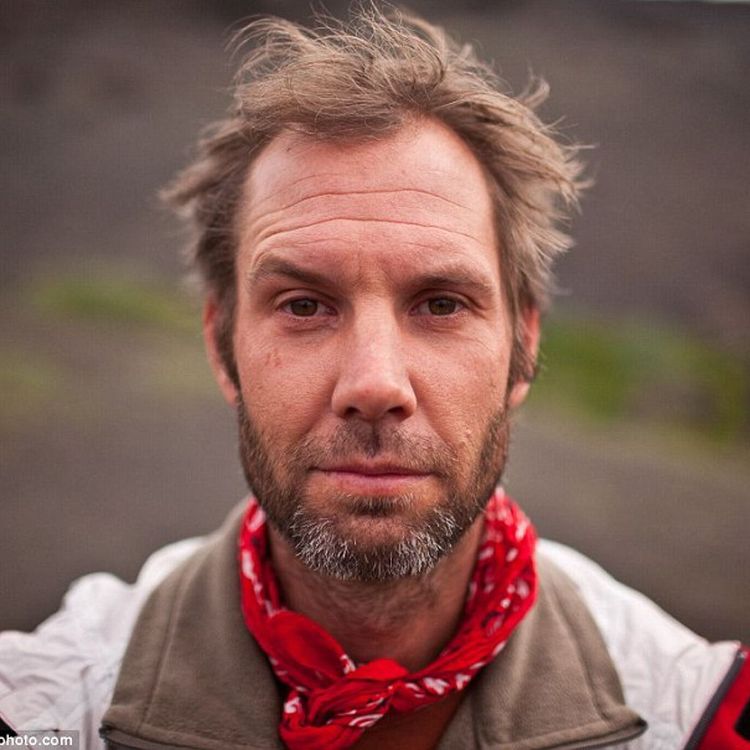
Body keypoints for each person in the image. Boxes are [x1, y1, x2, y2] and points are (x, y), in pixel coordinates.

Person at [0, 7, 747, 750]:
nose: (375, 383)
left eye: (442, 304)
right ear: (222, 347)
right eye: (303, 305)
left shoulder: (697, 718)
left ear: (523, 346)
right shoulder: (41, 712)